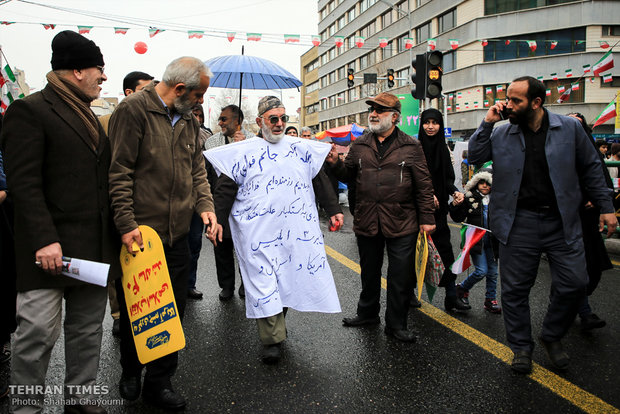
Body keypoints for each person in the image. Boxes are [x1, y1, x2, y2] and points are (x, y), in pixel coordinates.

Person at [0, 30, 119, 413]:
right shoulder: (29, 110)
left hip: (92, 249)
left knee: (87, 332)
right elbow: (24, 184)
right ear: (77, 70)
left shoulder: (87, 112)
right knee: (35, 335)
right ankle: (26, 408)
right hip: (47, 251)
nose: (103, 77)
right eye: (99, 70)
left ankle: (81, 398)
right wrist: (44, 239)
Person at [468, 76, 617, 374]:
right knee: (514, 291)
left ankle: (551, 334)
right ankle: (521, 347)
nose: (508, 105)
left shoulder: (570, 128)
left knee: (576, 283)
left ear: (536, 102)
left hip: (561, 220)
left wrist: (606, 207)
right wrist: (487, 122)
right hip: (517, 221)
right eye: (507, 98)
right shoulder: (500, 133)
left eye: (516, 101)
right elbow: (474, 155)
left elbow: (591, 167)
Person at [108, 57, 217, 410]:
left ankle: (160, 381)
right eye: (199, 94)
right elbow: (120, 171)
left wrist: (206, 207)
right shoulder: (133, 110)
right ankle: (130, 370)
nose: (202, 101)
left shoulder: (186, 119)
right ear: (181, 89)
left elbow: (197, 170)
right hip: (139, 237)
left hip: (177, 236)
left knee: (173, 310)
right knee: (137, 308)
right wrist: (125, 224)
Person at [205, 96, 343, 364]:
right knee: (264, 280)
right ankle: (272, 338)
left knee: (286, 279)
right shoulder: (243, 151)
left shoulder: (301, 148)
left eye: (283, 118)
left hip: (294, 233)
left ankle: (277, 324)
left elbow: (319, 179)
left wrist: (334, 209)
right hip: (257, 235)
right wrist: (217, 220)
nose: (279, 124)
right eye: (273, 119)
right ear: (259, 122)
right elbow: (224, 189)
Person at [325, 92, 436, 343]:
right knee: (369, 272)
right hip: (368, 218)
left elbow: (424, 184)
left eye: (380, 110)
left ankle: (396, 325)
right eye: (372, 110)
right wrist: (334, 163)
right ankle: (367, 314)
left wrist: (427, 217)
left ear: (395, 117)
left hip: (402, 220)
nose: (373, 114)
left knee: (399, 276)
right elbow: (348, 175)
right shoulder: (361, 144)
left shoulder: (411, 146)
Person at [99, 70, 154, 336]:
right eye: (145, 89)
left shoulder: (152, 120)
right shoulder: (105, 122)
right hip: (114, 201)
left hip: (143, 205)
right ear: (130, 93)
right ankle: (119, 313)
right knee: (118, 265)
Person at [417, 109, 469, 312]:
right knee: (415, 254)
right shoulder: (414, 148)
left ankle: (450, 296)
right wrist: (426, 194)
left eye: (435, 123)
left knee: (446, 253)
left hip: (438, 213)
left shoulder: (443, 148)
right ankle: (409, 296)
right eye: (427, 123)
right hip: (416, 211)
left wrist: (455, 192)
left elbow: (447, 178)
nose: (430, 126)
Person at [567, 112, 614, 331]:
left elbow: (602, 182)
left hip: (589, 221)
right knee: (574, 270)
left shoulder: (592, 154)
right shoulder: (559, 151)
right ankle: (583, 312)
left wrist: (599, 202)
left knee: (592, 269)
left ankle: (575, 304)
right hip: (566, 220)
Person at [205, 105, 253, 300]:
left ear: (237, 122)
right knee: (221, 244)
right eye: (220, 119)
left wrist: (243, 147)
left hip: (245, 204)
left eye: (224, 119)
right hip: (220, 202)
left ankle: (246, 283)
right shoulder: (210, 143)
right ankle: (226, 285)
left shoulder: (253, 141)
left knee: (245, 247)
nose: (220, 123)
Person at [450, 170, 501, 313]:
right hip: (475, 240)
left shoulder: (496, 199)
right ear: (476, 183)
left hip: (492, 241)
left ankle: (490, 299)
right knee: (481, 271)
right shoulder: (470, 198)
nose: (485, 186)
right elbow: (458, 217)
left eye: (488, 183)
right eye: (482, 182)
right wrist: (455, 205)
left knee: (493, 272)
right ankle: (462, 287)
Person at [186, 103, 213, 301]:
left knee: (195, 243)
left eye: (199, 115)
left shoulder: (208, 137)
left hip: (198, 200)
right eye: (193, 114)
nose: (197, 118)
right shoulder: (178, 132)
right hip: (179, 201)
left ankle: (190, 284)